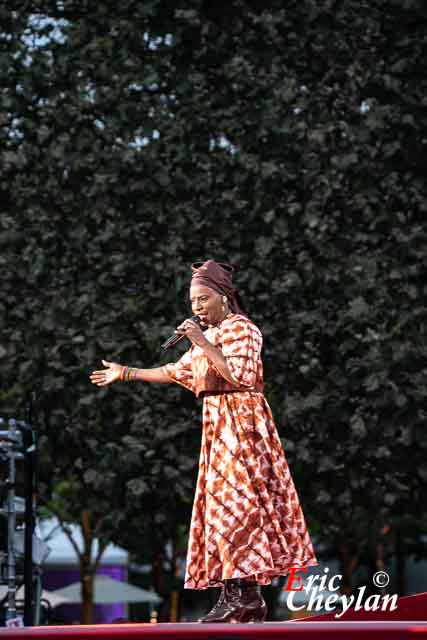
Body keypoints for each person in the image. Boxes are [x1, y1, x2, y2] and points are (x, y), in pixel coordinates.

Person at [90, 259, 317, 623]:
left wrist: (202, 342)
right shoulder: (207, 337)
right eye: (192, 301)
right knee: (220, 511)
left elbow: (239, 375)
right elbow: (173, 371)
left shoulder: (243, 329)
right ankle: (237, 595)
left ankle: (247, 596)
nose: (196, 307)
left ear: (224, 297)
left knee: (240, 507)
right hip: (217, 425)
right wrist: (127, 372)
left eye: (203, 299)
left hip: (243, 425)